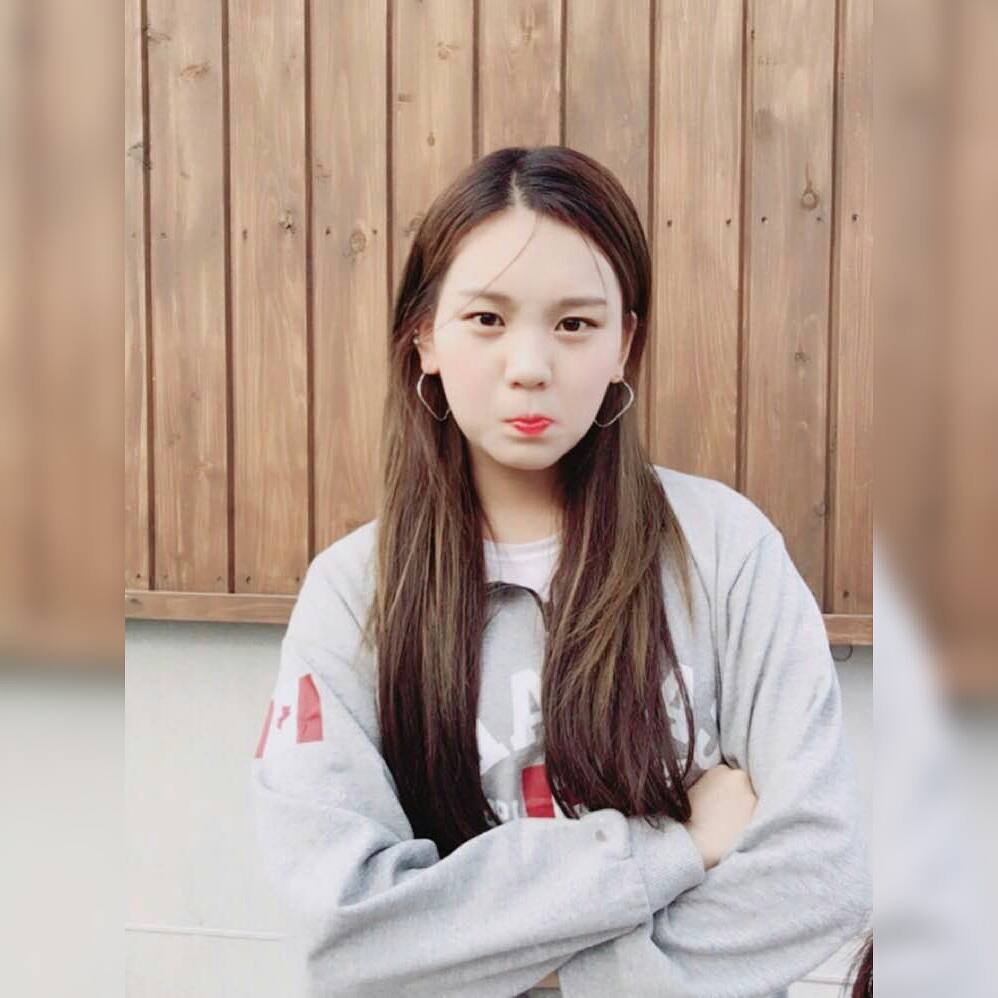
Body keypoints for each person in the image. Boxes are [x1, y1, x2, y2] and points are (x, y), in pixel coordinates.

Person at [249, 146, 871, 997]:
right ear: (424, 336)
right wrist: (675, 848)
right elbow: (345, 930)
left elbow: (821, 872)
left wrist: (516, 966)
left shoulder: (726, 551)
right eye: (487, 319)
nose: (530, 365)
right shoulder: (355, 593)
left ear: (625, 344)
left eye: (575, 324)